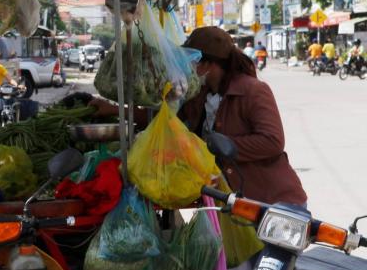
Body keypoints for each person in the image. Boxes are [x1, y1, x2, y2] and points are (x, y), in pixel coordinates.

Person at [92, 26, 306, 207]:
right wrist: (116, 109)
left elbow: (272, 142)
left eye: (191, 61)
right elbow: (166, 122)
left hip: (271, 202)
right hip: (232, 203)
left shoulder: (254, 90)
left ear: (207, 65)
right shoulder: (198, 95)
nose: (187, 67)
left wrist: (212, 147)